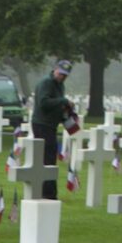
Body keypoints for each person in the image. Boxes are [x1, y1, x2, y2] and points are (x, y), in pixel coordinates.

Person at [30, 60, 74, 200]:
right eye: (61, 74)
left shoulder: (60, 86)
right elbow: (44, 103)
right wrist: (63, 101)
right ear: (55, 69)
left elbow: (56, 104)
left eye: (65, 75)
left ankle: (49, 191)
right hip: (42, 124)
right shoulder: (46, 83)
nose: (62, 77)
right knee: (47, 159)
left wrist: (66, 114)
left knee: (50, 158)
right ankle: (48, 193)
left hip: (52, 125)